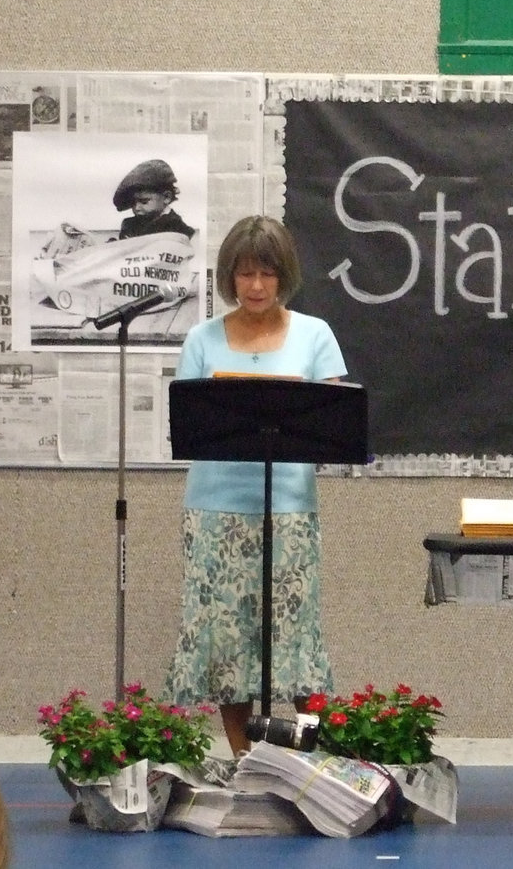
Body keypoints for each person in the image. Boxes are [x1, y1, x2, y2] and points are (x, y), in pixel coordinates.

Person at [162, 215, 346, 756]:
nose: (257, 286)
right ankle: (244, 760)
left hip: (287, 510)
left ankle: (316, 763)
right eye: (245, 275)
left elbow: (330, 421)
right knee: (225, 641)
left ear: (283, 275)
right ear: (230, 278)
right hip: (215, 510)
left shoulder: (315, 334)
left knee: (294, 634)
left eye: (267, 273)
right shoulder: (202, 338)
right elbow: (190, 422)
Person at [113, 158, 196, 240]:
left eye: (144, 201)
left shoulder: (177, 228)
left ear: (166, 197)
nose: (136, 208)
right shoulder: (129, 225)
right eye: (132, 203)